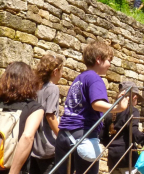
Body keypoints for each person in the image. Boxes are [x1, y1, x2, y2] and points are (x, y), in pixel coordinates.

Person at [55, 41, 129, 174]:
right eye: (108, 60)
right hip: (83, 136)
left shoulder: (79, 78)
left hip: (64, 136)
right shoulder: (95, 78)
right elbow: (97, 104)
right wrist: (119, 107)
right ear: (98, 59)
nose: (110, 65)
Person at [30, 54, 65, 174]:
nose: (62, 74)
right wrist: (62, 138)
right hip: (48, 148)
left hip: (34, 148)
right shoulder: (52, 88)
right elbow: (50, 116)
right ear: (55, 71)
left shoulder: (36, 89)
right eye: (61, 71)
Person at [100, 82, 144, 174]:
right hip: (127, 156)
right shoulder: (133, 111)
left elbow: (102, 136)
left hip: (113, 157)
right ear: (134, 97)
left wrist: (112, 145)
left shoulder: (110, 112)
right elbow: (133, 131)